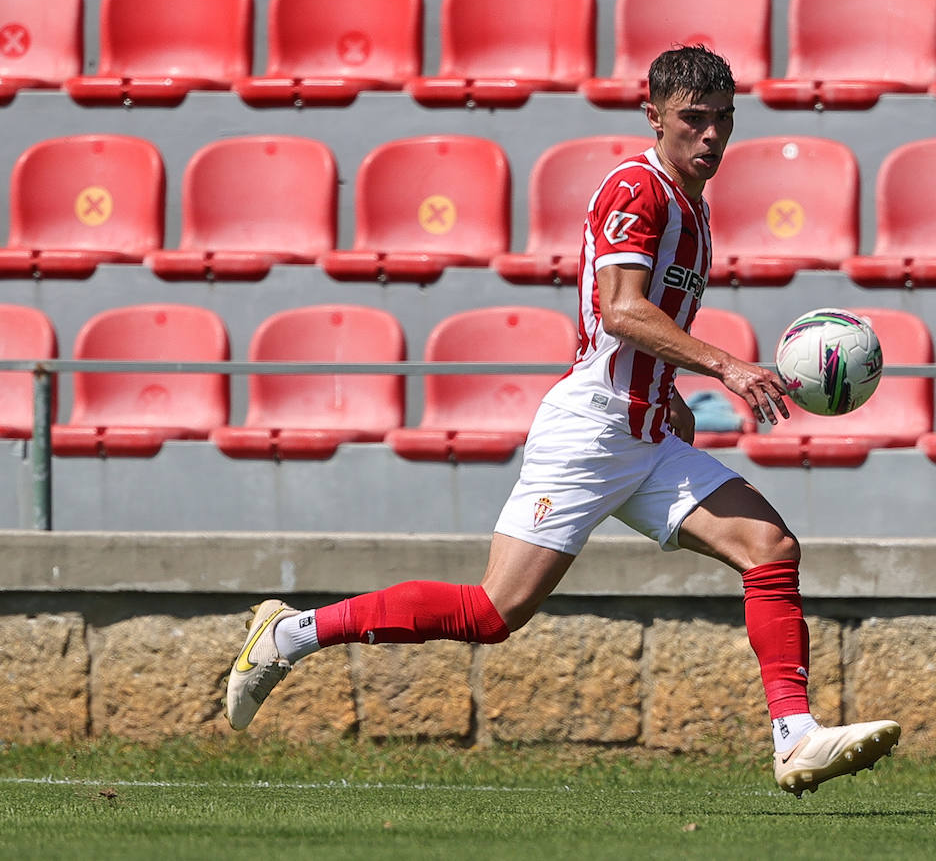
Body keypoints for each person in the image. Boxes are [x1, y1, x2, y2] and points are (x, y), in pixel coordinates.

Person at [225, 44, 899, 796]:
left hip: (645, 432)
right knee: (491, 612)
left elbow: (630, 325)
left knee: (770, 547)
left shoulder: (693, 207)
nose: (711, 137)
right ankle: (289, 634)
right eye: (693, 120)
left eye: (723, 122)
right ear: (654, 117)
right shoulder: (633, 189)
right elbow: (619, 308)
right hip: (590, 430)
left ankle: (794, 736)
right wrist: (726, 366)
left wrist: (667, 385)